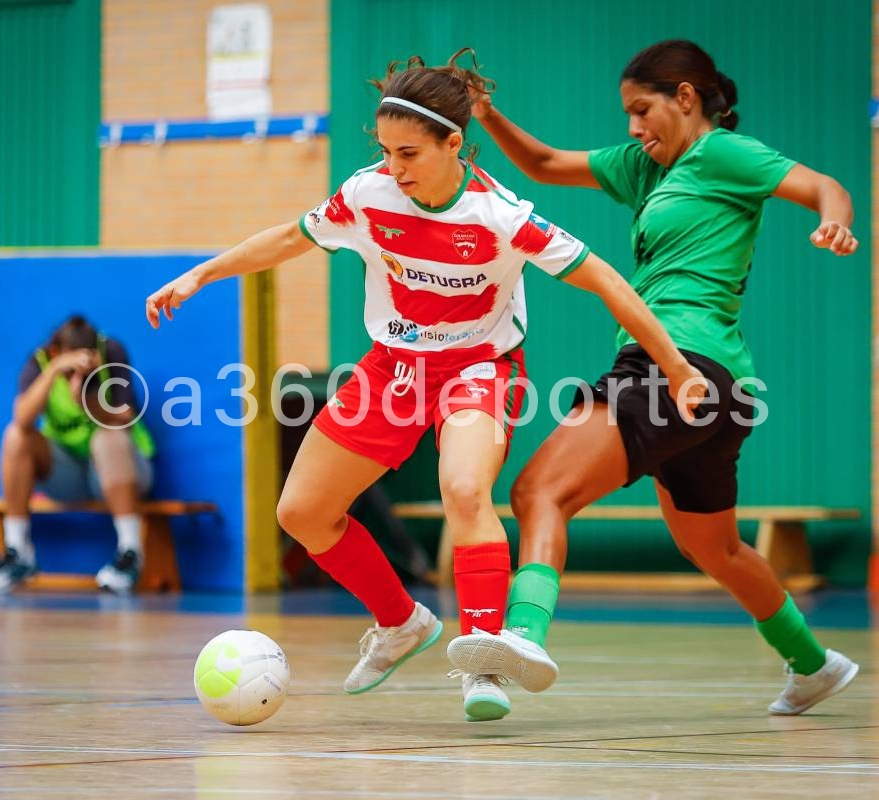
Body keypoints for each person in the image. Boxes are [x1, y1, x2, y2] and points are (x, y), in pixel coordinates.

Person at [145, 49, 703, 722]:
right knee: (302, 514)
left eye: (408, 153)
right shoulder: (368, 194)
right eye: (385, 152)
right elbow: (290, 239)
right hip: (393, 367)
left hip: (479, 368)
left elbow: (609, 281)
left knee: (465, 489)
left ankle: (485, 662)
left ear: (453, 144)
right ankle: (401, 622)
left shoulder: (502, 217)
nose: (393, 168)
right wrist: (201, 274)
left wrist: (676, 367)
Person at [447, 40, 861, 716]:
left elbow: (825, 188)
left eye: (642, 110)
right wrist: (487, 115)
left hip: (679, 366)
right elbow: (545, 164)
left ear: (686, 98)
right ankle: (814, 664)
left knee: (538, 492)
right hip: (721, 386)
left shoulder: (724, 154)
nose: (634, 127)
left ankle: (521, 636)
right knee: (715, 548)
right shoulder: (644, 168)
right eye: (628, 115)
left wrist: (834, 223)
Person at [0, 315, 156, 596]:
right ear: (54, 353)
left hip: (122, 472)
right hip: (68, 474)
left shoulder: (111, 352)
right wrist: (54, 370)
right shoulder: (41, 362)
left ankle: (130, 554)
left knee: (107, 436)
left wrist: (86, 400)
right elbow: (22, 417)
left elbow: (126, 416)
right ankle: (18, 552)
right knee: (15, 436)